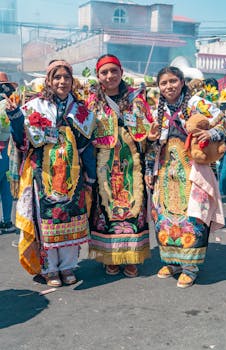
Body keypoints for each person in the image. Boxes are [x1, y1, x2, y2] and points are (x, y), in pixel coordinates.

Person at [5, 59, 96, 287]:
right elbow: (23, 142)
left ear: (72, 80)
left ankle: (67, 266)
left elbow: (86, 145)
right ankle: (49, 269)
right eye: (57, 77)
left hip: (73, 175)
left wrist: (90, 176)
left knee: (71, 219)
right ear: (49, 80)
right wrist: (16, 117)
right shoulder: (35, 106)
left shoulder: (80, 108)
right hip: (42, 174)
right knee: (46, 222)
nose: (62, 81)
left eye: (66, 77)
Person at [145, 66, 226, 288]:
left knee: (194, 219)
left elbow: (223, 124)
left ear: (182, 82)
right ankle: (172, 261)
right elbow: (152, 146)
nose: (169, 86)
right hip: (164, 173)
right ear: (159, 87)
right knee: (163, 218)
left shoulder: (197, 104)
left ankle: (191, 267)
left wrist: (210, 133)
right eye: (164, 83)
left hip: (193, 173)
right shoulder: (156, 111)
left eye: (173, 81)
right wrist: (147, 171)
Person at [86, 54, 153, 278]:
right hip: (103, 164)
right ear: (98, 76)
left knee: (133, 208)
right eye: (104, 72)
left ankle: (133, 256)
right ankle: (110, 257)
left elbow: (148, 128)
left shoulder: (136, 97)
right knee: (105, 210)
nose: (110, 76)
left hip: (132, 163)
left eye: (114, 71)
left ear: (121, 73)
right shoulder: (91, 101)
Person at [0, 72, 18, 234]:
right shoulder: (12, 102)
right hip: (7, 150)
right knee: (5, 188)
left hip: (6, 150)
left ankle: (6, 221)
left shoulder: (10, 103)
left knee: (6, 188)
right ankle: (6, 221)